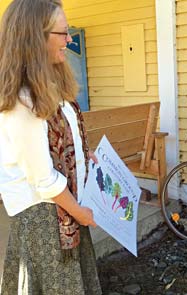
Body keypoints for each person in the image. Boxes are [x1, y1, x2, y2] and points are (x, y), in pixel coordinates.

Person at [0, 0, 102, 294]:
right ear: (36, 36)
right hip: (45, 220)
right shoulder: (22, 99)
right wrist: (80, 214)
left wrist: (85, 156)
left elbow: (62, 142)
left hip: (64, 206)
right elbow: (43, 179)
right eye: (64, 33)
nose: (70, 40)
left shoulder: (51, 83)